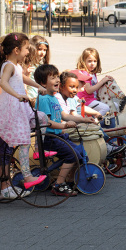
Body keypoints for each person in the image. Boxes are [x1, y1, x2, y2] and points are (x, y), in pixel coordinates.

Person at [34, 64, 95, 196]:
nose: (57, 80)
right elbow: (47, 122)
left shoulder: (54, 98)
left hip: (59, 136)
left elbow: (64, 115)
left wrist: (84, 119)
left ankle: (71, 181)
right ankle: (59, 184)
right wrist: (64, 126)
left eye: (57, 77)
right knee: (71, 154)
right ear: (42, 83)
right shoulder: (44, 99)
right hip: (50, 139)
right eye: (52, 78)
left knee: (80, 154)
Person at [0, 33, 48, 199]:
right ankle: (26, 176)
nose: (28, 51)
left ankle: (39, 150)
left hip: (21, 108)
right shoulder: (8, 66)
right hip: (12, 109)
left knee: (42, 119)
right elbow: (3, 82)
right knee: (22, 140)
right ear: (16, 49)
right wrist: (16, 95)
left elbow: (23, 79)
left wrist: (38, 86)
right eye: (27, 48)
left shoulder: (16, 66)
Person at [57, 70, 125, 157]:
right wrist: (84, 120)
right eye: (72, 86)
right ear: (62, 86)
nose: (84, 84)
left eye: (77, 86)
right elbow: (70, 115)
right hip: (66, 126)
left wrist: (96, 113)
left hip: (70, 124)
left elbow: (82, 108)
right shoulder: (60, 98)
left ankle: (107, 146)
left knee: (96, 128)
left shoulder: (71, 97)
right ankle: (106, 148)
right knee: (92, 129)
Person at [76, 48, 113, 115]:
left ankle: (109, 121)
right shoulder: (84, 74)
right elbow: (89, 90)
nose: (92, 64)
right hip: (86, 101)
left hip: (93, 99)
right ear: (84, 61)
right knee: (105, 108)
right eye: (89, 61)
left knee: (114, 105)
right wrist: (102, 81)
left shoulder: (93, 73)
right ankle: (95, 122)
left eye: (95, 61)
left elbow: (95, 88)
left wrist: (106, 80)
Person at [23, 35, 50, 105]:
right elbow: (24, 82)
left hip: (40, 95)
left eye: (45, 50)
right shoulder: (28, 65)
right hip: (30, 96)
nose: (42, 53)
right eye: (39, 49)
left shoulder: (41, 65)